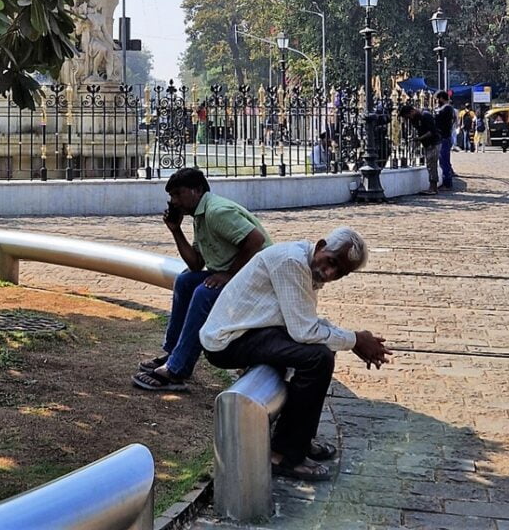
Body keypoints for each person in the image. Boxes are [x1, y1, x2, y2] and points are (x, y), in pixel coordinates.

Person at [200, 227, 390, 482]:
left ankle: (299, 441)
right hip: (228, 340)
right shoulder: (292, 261)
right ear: (321, 245)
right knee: (318, 358)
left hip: (256, 331)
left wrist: (354, 338)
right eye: (332, 262)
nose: (330, 273)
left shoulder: (306, 264)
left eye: (340, 272)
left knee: (322, 351)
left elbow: (305, 321)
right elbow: (305, 331)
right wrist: (355, 340)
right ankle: (283, 454)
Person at [132, 167, 271, 392]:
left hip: (257, 279)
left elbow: (256, 240)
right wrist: (176, 230)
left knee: (203, 294)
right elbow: (196, 264)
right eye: (171, 196)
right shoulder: (200, 215)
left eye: (178, 194)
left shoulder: (217, 212)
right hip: (240, 274)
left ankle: (177, 370)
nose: (174, 201)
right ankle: (174, 353)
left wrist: (228, 275)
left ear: (196, 190)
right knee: (186, 281)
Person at [398, 102, 440, 193]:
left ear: (412, 111)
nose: (409, 119)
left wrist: (419, 138)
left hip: (433, 143)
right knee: (430, 164)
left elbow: (431, 132)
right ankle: (432, 186)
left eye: (408, 116)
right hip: (427, 144)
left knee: (432, 164)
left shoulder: (425, 116)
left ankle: (433, 187)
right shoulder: (415, 120)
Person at [434, 91, 456, 190]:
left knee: (444, 160)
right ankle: (446, 181)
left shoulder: (447, 108)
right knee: (442, 160)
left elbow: (438, 116)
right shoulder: (447, 109)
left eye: (438, 99)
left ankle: (447, 183)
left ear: (441, 98)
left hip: (444, 137)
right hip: (443, 136)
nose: (437, 101)